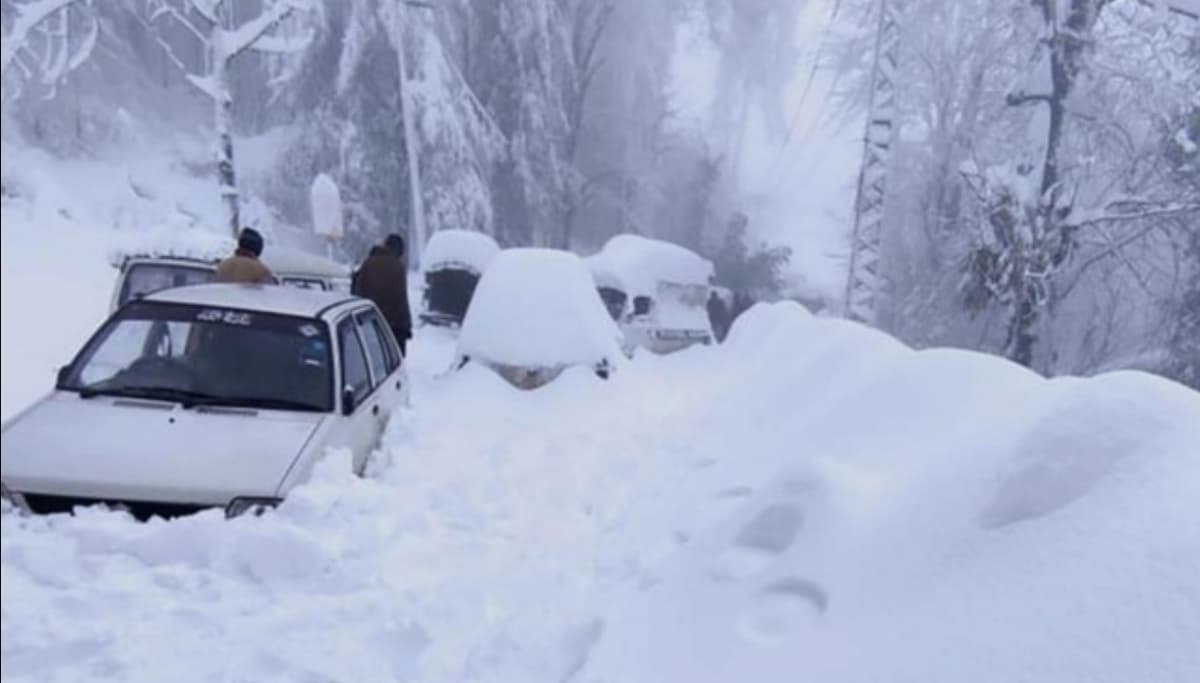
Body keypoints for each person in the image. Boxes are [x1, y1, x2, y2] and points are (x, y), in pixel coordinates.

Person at [352, 234, 413, 356]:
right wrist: (406, 327)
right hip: (393, 327)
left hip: (368, 322)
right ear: (398, 250)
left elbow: (357, 290)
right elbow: (401, 300)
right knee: (394, 361)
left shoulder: (368, 263)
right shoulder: (398, 267)